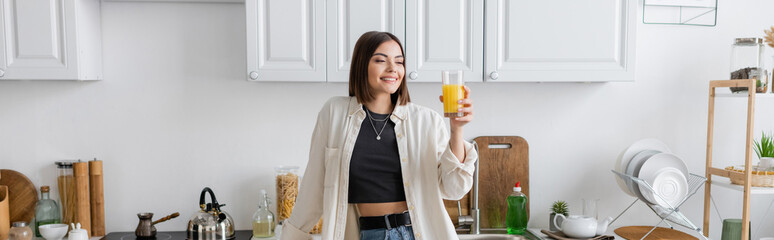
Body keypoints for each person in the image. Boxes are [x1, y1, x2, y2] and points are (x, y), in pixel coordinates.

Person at [280, 31, 478, 240]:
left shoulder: (426, 121)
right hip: (365, 233)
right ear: (361, 65)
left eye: (399, 62)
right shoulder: (334, 113)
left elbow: (454, 189)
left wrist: (457, 129)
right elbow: (313, 187)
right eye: (381, 60)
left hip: (417, 233)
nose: (393, 68)